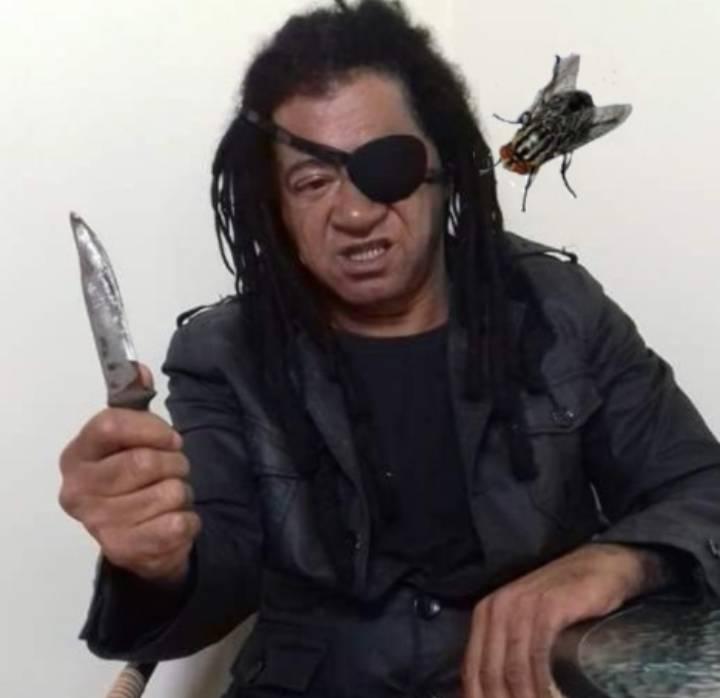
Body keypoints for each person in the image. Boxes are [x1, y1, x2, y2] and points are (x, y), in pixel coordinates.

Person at [58, 2, 720, 697]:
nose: (353, 213)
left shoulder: (557, 309)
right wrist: (154, 562)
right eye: (312, 182)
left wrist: (617, 561)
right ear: (275, 209)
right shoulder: (227, 354)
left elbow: (702, 487)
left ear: (445, 165)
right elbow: (216, 579)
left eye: (386, 166)